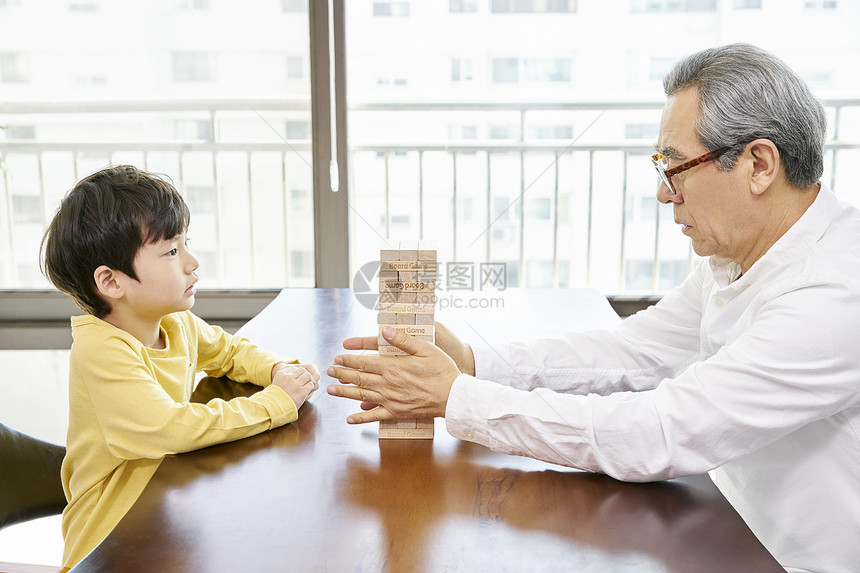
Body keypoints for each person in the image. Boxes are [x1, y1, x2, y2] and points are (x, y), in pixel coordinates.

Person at [326, 43, 860, 573]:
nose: (663, 193)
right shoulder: (742, 255)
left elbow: (658, 433)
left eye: (675, 167)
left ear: (759, 164)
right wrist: (473, 363)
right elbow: (634, 351)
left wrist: (456, 397)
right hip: (725, 524)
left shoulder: (833, 297)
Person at [40, 165, 320, 569]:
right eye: (171, 251)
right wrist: (276, 403)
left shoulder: (173, 321)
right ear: (112, 282)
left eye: (185, 243)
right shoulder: (101, 351)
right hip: (109, 541)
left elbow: (229, 352)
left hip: (161, 513)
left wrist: (278, 371)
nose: (192, 262)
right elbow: (167, 428)